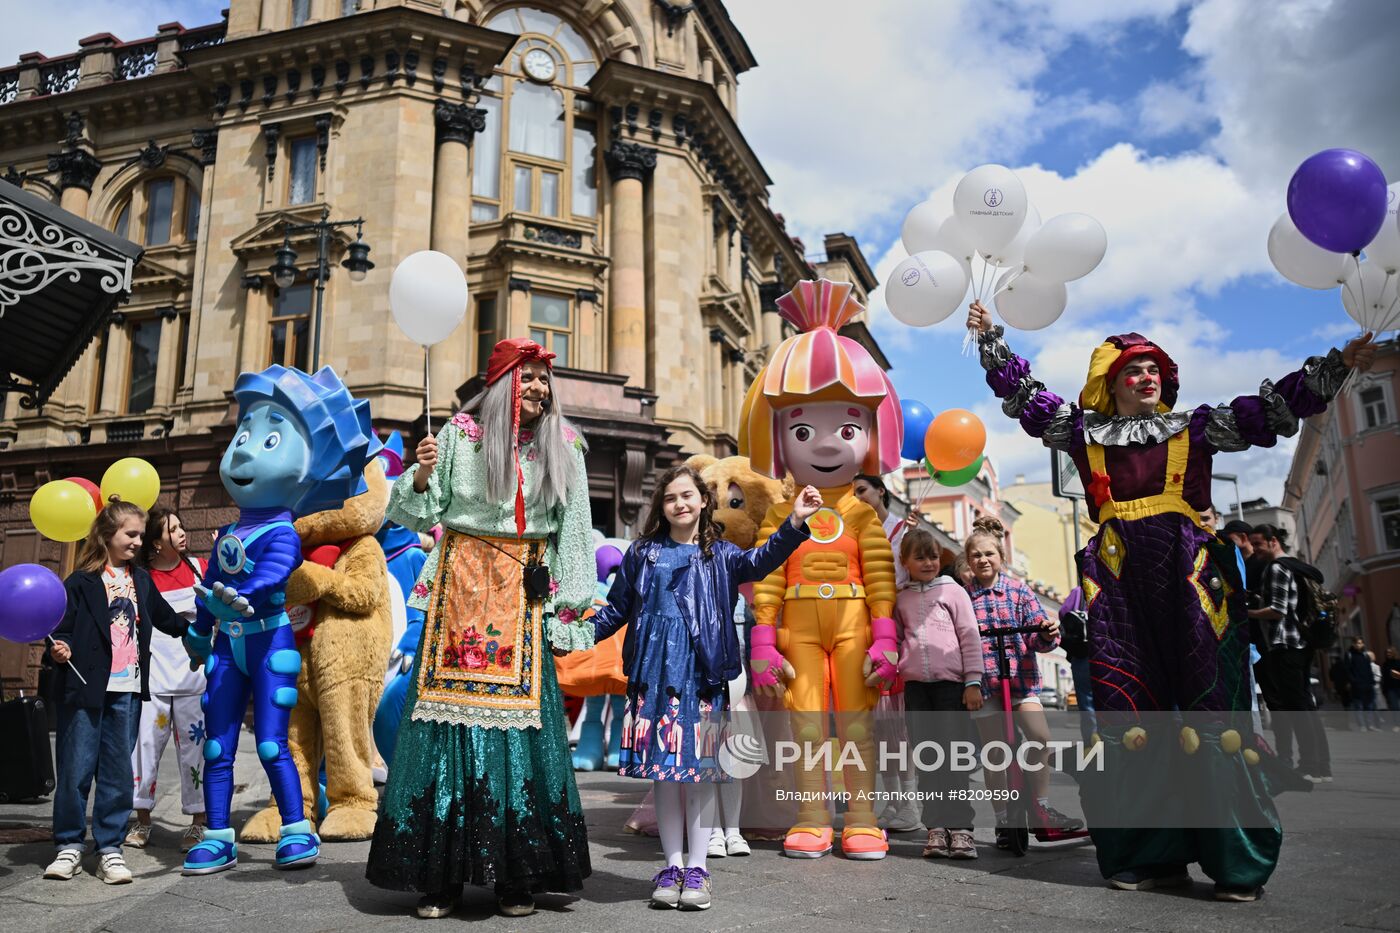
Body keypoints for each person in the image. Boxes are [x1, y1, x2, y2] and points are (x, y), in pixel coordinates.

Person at [968, 301, 1374, 900]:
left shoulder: (1197, 427)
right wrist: (990, 339)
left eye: (1155, 368)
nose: (1148, 376)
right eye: (1134, 369)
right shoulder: (1083, 433)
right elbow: (1028, 400)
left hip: (1193, 585)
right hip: (1118, 585)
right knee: (1128, 715)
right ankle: (1144, 854)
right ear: (1111, 383)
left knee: (1214, 714)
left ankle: (1236, 860)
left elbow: (1273, 412)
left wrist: (1334, 365)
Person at [366, 339, 596, 920]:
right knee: (445, 727)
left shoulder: (567, 447)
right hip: (461, 588)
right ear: (502, 387)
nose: (540, 388)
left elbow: (575, 531)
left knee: (523, 734)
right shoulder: (459, 437)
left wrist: (570, 608)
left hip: (526, 593)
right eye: (528, 378)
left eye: (545, 379)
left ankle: (515, 876)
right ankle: (438, 876)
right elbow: (418, 514)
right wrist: (420, 474)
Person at [589, 465, 817, 910]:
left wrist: (795, 521)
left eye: (688, 495)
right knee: (664, 779)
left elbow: (761, 561)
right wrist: (574, 636)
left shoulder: (723, 555)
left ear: (702, 502)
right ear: (662, 506)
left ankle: (699, 869)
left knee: (698, 777)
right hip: (653, 677)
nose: (680, 503)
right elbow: (616, 610)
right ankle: (671, 865)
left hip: (704, 677)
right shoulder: (642, 554)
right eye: (671, 497)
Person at [44, 500, 187, 884]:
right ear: (108, 535)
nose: (139, 542)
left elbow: (166, 618)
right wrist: (59, 648)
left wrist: (199, 628)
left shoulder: (142, 581)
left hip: (126, 691)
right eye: (131, 534)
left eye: (141, 535)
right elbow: (61, 628)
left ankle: (109, 848)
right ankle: (69, 846)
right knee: (75, 770)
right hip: (84, 689)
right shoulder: (80, 581)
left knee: (117, 773)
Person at [963, 516, 1081, 843]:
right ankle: (1004, 818)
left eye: (989, 554)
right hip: (986, 683)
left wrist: (1046, 632)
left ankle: (1040, 805)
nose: (983, 560)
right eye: (976, 555)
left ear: (1001, 557)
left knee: (1039, 736)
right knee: (995, 752)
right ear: (969, 560)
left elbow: (1040, 635)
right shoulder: (964, 595)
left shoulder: (1018, 590)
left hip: (1020, 681)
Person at [892, 528, 983, 859]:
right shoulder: (900, 598)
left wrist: (973, 681)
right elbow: (898, 638)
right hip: (916, 689)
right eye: (920, 557)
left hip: (951, 687)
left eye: (933, 556)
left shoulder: (953, 591)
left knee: (954, 760)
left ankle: (961, 829)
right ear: (905, 562)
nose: (928, 562)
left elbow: (969, 636)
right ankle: (936, 828)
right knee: (928, 760)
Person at [127, 507, 208, 852]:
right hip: (153, 677)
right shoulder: (139, 578)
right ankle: (142, 820)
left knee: (196, 751)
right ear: (157, 543)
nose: (181, 533)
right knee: (145, 747)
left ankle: (198, 823)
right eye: (172, 529)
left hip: (195, 676)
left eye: (181, 526)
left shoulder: (201, 569)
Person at [853, 472, 923, 833]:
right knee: (877, 725)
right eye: (853, 493)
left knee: (896, 724)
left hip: (892, 627)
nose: (857, 497)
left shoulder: (900, 531)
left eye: (862, 490)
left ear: (881, 491)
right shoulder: (850, 530)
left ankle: (910, 806)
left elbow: (912, 576)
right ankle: (893, 802)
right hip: (862, 627)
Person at [1250, 527, 1333, 779]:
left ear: (1273, 541)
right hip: (1303, 644)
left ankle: (1308, 766)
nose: (1255, 550)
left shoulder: (1277, 568)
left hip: (1285, 644)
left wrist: (1248, 613)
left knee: (1296, 707)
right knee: (1306, 705)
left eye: (1258, 544)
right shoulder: (1297, 566)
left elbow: (1278, 609)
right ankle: (1322, 767)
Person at [1342, 638, 1379, 731]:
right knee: (1359, 706)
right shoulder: (1349, 654)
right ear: (1353, 644)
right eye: (1356, 643)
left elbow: (1369, 668)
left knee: (1369, 706)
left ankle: (1370, 725)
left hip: (1368, 684)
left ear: (1363, 644)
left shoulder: (1365, 654)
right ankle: (1362, 725)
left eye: (1360, 643)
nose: (1358, 645)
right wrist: (1353, 681)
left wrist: (1372, 681)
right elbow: (1347, 670)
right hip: (1357, 685)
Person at [1381, 646, 1400, 719]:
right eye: (1387, 652)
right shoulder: (1385, 664)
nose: (1388, 654)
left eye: (1390, 652)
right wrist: (1384, 689)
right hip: (1390, 688)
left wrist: (1396, 674)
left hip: (1398, 686)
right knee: (1394, 707)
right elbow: (1384, 678)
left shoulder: (1398, 662)